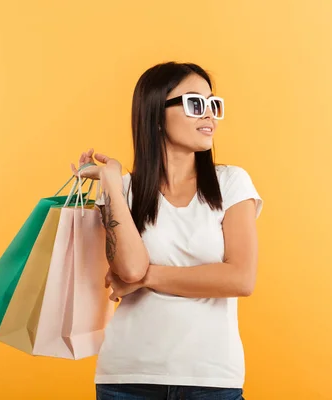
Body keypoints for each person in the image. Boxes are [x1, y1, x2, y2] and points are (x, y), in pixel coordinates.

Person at [71, 62, 263, 400]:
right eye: (195, 103)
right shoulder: (126, 191)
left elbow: (240, 279)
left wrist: (148, 278)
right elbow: (129, 269)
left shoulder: (232, 183)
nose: (209, 116)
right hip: (128, 377)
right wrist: (112, 184)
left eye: (213, 104)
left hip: (211, 378)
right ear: (156, 115)